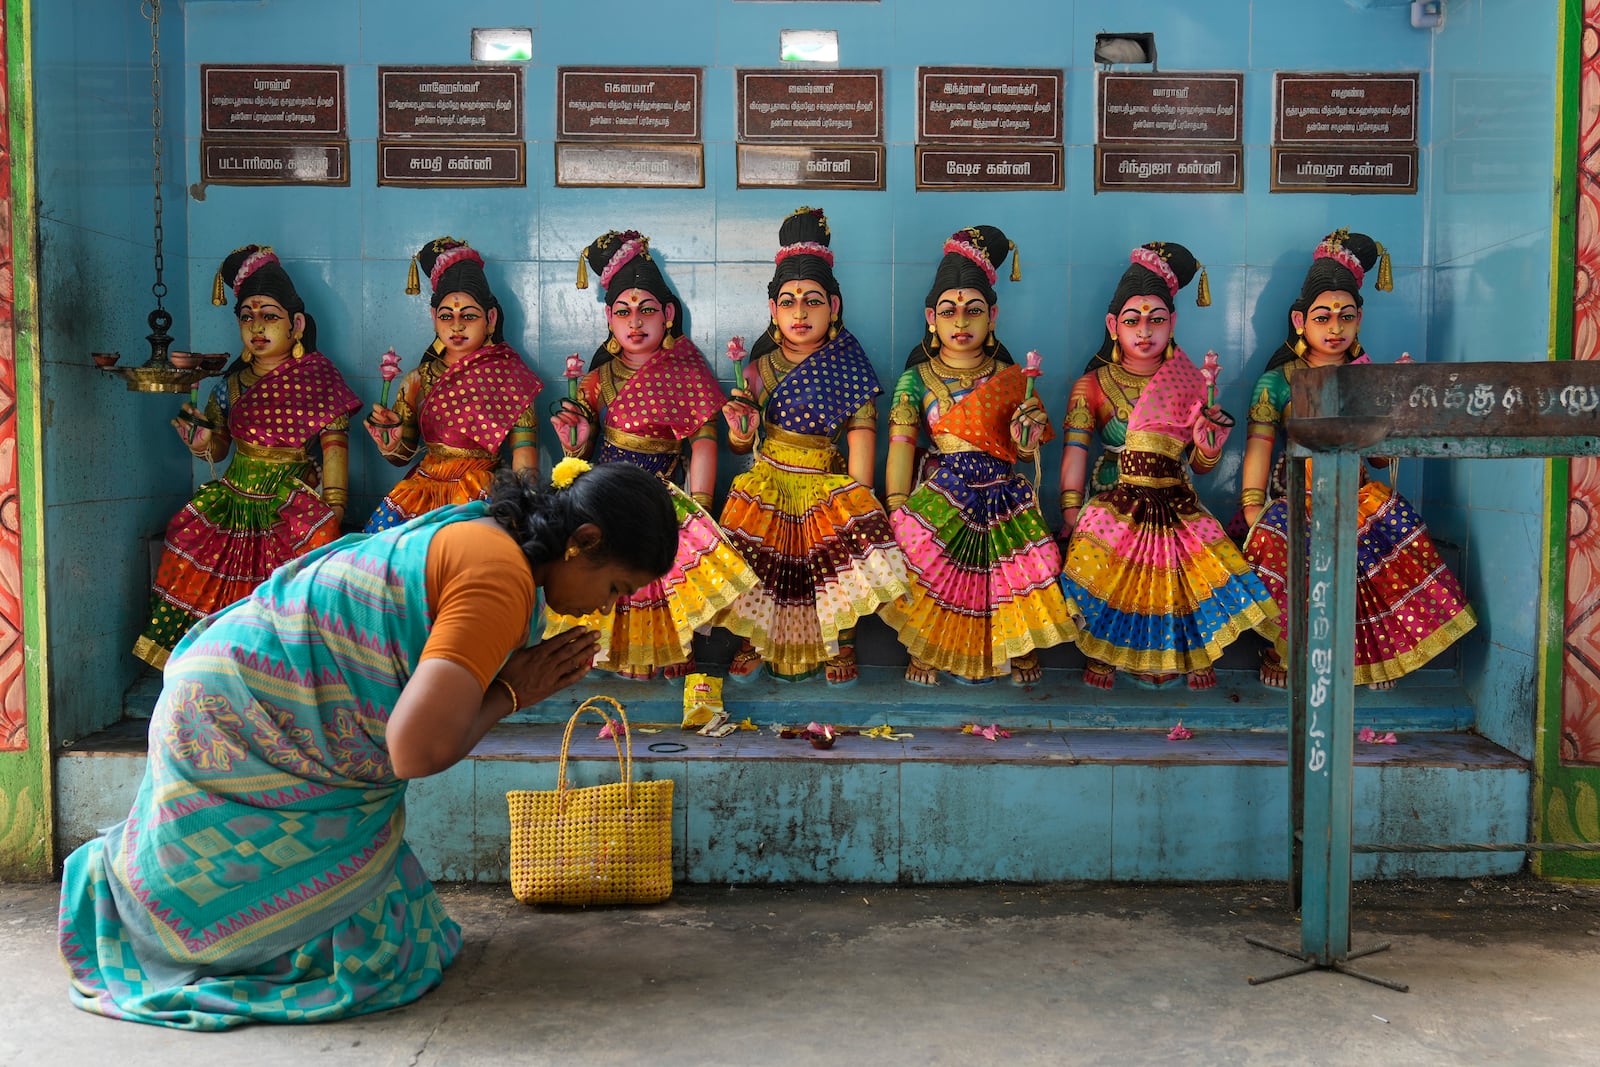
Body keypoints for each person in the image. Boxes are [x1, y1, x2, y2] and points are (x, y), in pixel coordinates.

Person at [61, 459, 678, 1030]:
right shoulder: (500, 578)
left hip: (227, 676)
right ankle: (164, 924)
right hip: (241, 719)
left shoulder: (492, 532)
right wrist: (514, 692)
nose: (606, 608)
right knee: (374, 964)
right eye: (618, 589)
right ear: (585, 541)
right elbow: (412, 749)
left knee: (407, 938)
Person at [1240, 229, 1476, 689]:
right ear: (1299, 320)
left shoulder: (1366, 378)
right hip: (1295, 498)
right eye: (1323, 317)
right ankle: (1284, 651)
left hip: (1355, 493)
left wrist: (1396, 412)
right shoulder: (1277, 381)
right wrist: (1252, 506)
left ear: (1359, 320)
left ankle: (1373, 657)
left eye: (1346, 317)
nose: (1335, 328)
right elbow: (1260, 447)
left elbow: (1378, 460)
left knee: (1388, 540)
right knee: (1274, 549)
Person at [1058, 241, 1277, 691]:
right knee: (1105, 565)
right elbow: (1075, 451)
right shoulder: (1092, 384)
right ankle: (1105, 654)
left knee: (1193, 567)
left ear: (1173, 323)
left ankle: (1190, 653)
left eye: (1157, 320)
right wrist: (1069, 513)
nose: (1145, 331)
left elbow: (1198, 464)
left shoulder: (1191, 381)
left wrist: (1208, 446)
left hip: (1175, 497)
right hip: (1113, 496)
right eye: (1133, 321)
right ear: (1113, 325)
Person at [132, 245, 361, 669]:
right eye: (247, 316)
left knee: (304, 562)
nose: (257, 326)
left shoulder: (319, 377)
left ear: (296, 324)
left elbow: (334, 448)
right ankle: (208, 661)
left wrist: (334, 507)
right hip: (235, 493)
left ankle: (285, 667)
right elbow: (218, 447)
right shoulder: (230, 384)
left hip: (290, 499)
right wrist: (199, 439)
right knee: (184, 534)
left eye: (269, 315)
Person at [544, 230, 756, 679]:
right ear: (609, 318)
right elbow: (581, 449)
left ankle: (668, 652)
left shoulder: (689, 372)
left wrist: (700, 507)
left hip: (659, 494)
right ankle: (610, 654)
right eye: (623, 312)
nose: (635, 322)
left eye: (647, 311)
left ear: (668, 315)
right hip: (603, 492)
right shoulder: (597, 379)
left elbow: (702, 444)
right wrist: (574, 443)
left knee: (659, 578)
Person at [716, 206, 911, 684]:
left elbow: (862, 438)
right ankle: (753, 640)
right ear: (772, 309)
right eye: (788, 301)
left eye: (812, 300)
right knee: (757, 565)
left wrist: (858, 499)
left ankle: (839, 641)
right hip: (769, 480)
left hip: (826, 481)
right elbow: (742, 445)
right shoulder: (757, 368)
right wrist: (741, 431)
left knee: (836, 568)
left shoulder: (850, 366)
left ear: (834, 307)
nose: (799, 313)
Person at [879, 225, 1074, 685]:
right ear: (931, 318)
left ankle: (1017, 647)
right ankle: (930, 648)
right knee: (930, 565)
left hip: (1004, 492)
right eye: (949, 312)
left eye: (973, 311)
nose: (961, 322)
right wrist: (894, 507)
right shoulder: (917, 379)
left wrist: (1025, 432)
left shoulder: (1011, 377)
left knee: (1020, 569)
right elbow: (902, 448)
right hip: (945, 491)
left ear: (993, 316)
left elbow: (1025, 453)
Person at [363, 236, 543, 531]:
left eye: (469, 316)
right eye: (447, 316)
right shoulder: (417, 379)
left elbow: (524, 453)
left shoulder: (512, 377)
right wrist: (391, 442)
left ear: (491, 318)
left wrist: (525, 508)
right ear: (434, 318)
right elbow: (402, 455)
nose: (456, 326)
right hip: (420, 490)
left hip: (481, 489)